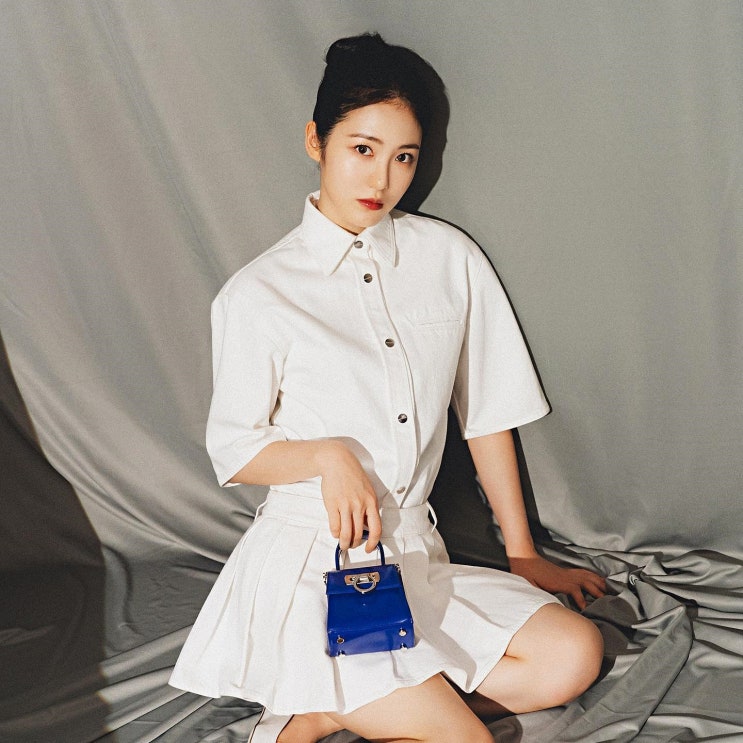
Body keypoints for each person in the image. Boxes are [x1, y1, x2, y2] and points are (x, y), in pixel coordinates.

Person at [169, 32, 607, 743]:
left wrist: (522, 551)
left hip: (415, 561)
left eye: (404, 156)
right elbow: (235, 450)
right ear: (316, 141)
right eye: (362, 149)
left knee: (572, 656)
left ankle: (326, 706)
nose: (382, 177)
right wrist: (326, 456)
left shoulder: (448, 258)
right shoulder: (259, 293)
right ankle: (334, 695)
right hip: (317, 571)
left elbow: (486, 411)